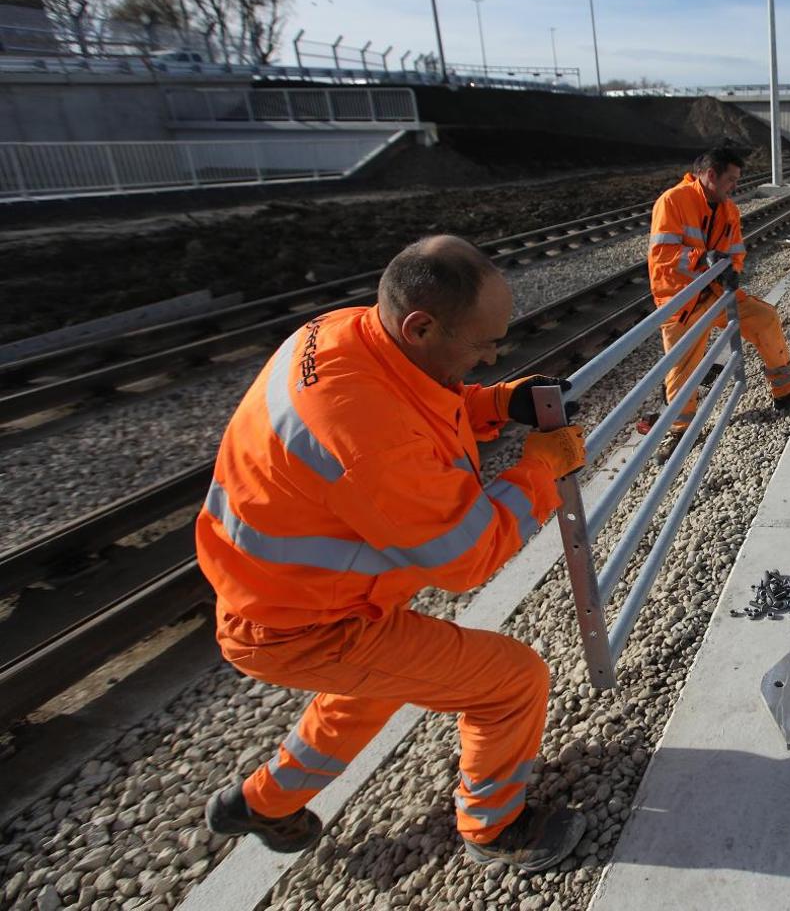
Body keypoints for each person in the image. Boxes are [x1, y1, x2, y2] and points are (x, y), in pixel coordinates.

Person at [197, 235, 589, 872]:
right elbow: (465, 558)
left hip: (282, 597)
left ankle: (263, 804)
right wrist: (541, 470)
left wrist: (496, 402)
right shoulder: (365, 433)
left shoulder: (346, 333)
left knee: (370, 690)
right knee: (512, 682)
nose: (493, 355)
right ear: (421, 326)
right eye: (483, 345)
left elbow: (417, 406)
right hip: (300, 625)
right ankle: (496, 828)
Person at [649, 145, 790, 456]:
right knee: (682, 366)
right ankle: (679, 431)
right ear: (710, 175)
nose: (734, 186)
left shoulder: (728, 209)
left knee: (765, 318)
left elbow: (736, 252)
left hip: (718, 294)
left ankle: (785, 392)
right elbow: (663, 257)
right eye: (730, 179)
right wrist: (704, 259)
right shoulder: (673, 201)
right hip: (683, 299)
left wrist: (733, 271)